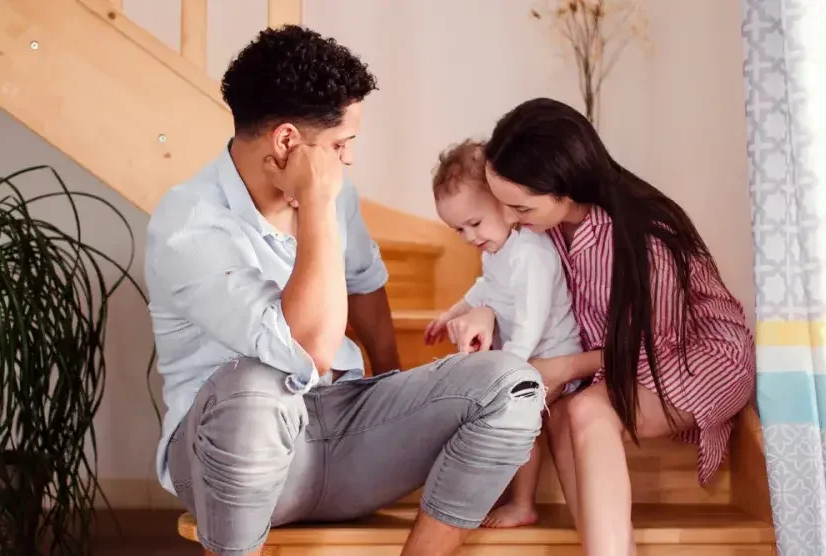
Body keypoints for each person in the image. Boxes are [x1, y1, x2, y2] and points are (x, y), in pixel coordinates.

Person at [143, 26, 545, 556]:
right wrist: (315, 202)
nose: (348, 159)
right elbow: (305, 348)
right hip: (235, 454)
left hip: (342, 434)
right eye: (339, 145)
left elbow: (364, 285)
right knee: (258, 385)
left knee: (512, 383)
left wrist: (395, 393)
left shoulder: (338, 192)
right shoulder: (188, 226)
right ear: (288, 142)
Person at [451, 98, 756, 555]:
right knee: (560, 416)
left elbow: (656, 344)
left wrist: (566, 367)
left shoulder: (645, 235)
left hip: (697, 356)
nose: (511, 219)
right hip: (612, 360)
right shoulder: (543, 228)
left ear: (564, 188)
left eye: (521, 208)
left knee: (585, 410)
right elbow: (514, 288)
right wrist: (486, 312)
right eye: (504, 206)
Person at [422, 139, 583, 528]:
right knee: (504, 414)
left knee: (516, 416)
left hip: (550, 356)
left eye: (473, 224)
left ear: (506, 205)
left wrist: (507, 374)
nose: (468, 237)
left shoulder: (531, 254)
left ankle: (523, 502)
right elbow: (485, 289)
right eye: (457, 229)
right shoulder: (497, 250)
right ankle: (504, 493)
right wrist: (452, 313)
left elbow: (531, 322)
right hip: (524, 356)